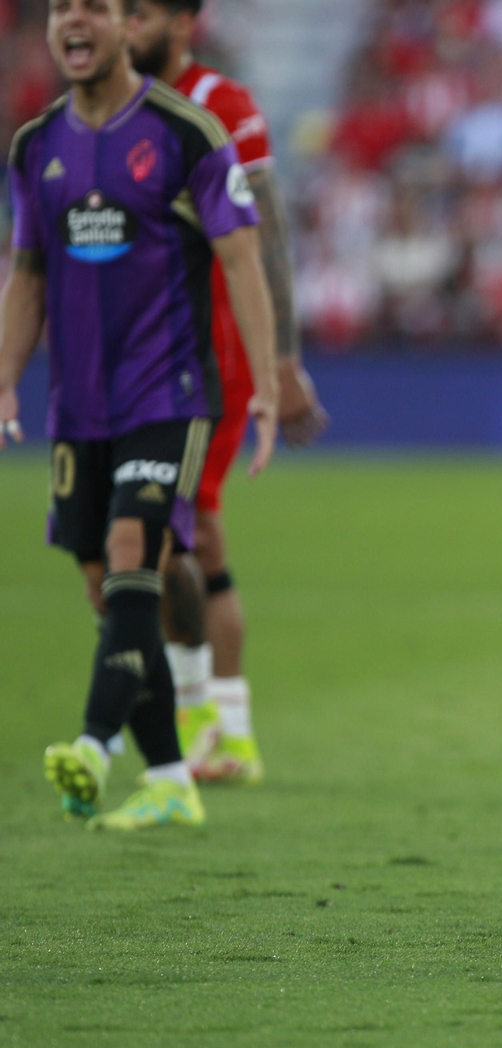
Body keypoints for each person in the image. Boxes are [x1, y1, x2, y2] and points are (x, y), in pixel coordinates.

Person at [0, 0, 276, 829]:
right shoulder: (34, 145)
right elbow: (28, 273)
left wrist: (267, 383)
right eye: (61, 7)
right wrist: (6, 377)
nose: (73, 21)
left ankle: (93, 744)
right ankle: (168, 777)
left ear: (128, 27)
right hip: (78, 405)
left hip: (169, 393)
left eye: (95, 6)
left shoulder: (188, 133)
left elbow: (244, 259)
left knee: (133, 555)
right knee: (107, 589)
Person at [127, 0, 329, 785]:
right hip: (141, 358)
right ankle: (232, 730)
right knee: (198, 536)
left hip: (211, 357)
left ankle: (194, 724)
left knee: (162, 530)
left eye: (137, 12)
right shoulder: (108, 110)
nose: (121, 26)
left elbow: (266, 233)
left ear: (184, 21)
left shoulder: (222, 104)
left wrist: (282, 358)